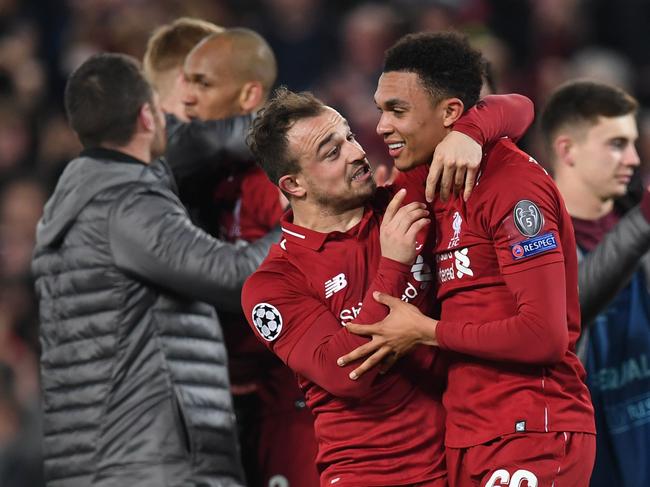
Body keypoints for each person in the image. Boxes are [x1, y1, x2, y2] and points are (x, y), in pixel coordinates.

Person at [337, 32, 596, 487]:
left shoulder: (511, 185)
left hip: (532, 428)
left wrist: (426, 332)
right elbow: (516, 105)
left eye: (397, 111)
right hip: (468, 432)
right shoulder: (425, 177)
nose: (380, 126)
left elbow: (544, 336)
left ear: (451, 113)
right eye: (380, 109)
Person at [242, 84, 534, 486]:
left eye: (348, 135)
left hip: (463, 460)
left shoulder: (404, 198)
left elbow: (519, 108)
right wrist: (393, 265)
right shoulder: (273, 284)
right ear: (294, 186)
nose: (356, 153)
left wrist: (469, 133)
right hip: (371, 474)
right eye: (332, 152)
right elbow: (346, 374)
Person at [31, 53, 279, 487]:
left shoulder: (77, 201)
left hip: (105, 460)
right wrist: (301, 225)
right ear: (148, 116)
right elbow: (234, 276)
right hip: (152, 463)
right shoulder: (125, 205)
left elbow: (198, 148)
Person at [183, 28, 319, 487]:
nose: (188, 100)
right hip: (245, 399)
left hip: (293, 400)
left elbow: (315, 258)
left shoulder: (273, 176)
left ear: (247, 95)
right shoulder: (212, 177)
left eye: (203, 84)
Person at [540, 80, 649, 487]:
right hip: (580, 461)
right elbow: (569, 305)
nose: (634, 158)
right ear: (567, 150)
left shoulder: (636, 229)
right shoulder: (529, 239)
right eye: (617, 144)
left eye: (634, 143)